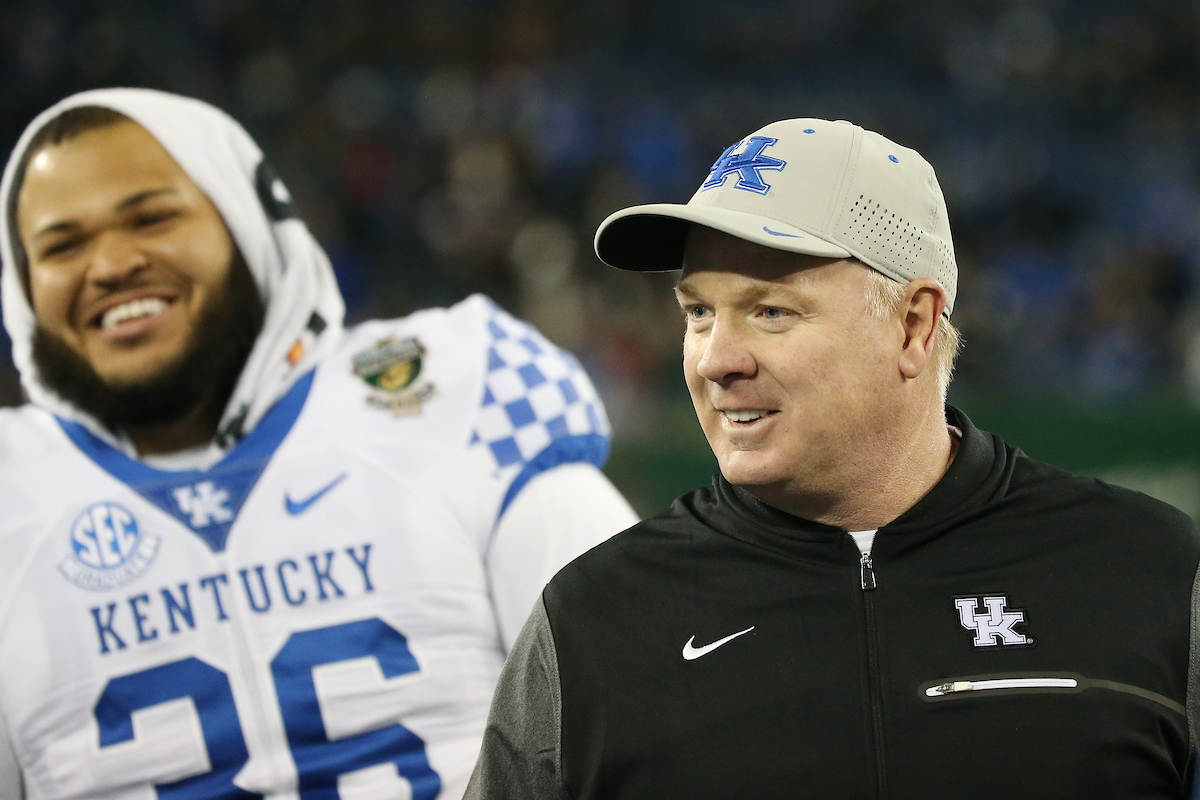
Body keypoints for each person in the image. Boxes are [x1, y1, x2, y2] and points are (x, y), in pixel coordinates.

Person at [465, 118, 1200, 798]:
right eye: (699, 312)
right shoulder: (596, 621)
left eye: (770, 311)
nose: (716, 360)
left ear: (913, 326)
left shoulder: (1150, 572)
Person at [0, 88, 637, 800]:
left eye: (151, 218)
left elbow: (646, 709)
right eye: (62, 245)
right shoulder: (11, 494)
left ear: (249, 224)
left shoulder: (453, 396)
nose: (111, 264)